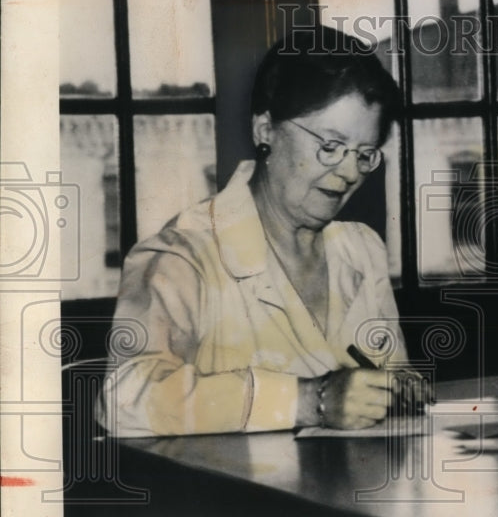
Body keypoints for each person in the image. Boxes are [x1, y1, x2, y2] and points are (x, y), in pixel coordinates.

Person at [99, 26, 421, 437]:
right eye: (330, 146)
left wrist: (401, 386)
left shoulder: (361, 250)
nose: (348, 172)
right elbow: (122, 400)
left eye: (364, 154)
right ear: (265, 130)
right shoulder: (182, 254)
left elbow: (390, 374)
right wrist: (308, 400)